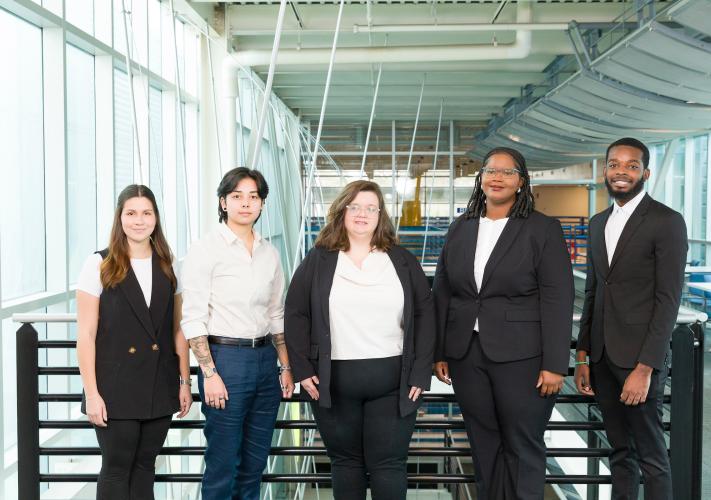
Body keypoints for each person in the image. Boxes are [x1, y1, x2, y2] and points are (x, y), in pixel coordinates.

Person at [432, 147, 574, 500]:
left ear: (521, 182)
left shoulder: (542, 229)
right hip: (467, 354)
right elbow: (443, 292)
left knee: (522, 445)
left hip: (523, 356)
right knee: (483, 444)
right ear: (480, 178)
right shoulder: (460, 227)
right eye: (490, 170)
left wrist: (556, 364)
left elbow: (558, 298)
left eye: (507, 172)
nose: (496, 177)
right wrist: (440, 351)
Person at [285, 180, 435, 500]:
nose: (362, 214)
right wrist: (301, 368)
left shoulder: (402, 260)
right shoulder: (319, 259)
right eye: (355, 207)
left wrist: (422, 373)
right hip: (333, 381)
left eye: (371, 208)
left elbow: (425, 317)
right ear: (342, 211)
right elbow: (295, 313)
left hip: (394, 381)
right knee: (346, 464)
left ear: (381, 215)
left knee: (389, 466)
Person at [575, 138, 687, 500]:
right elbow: (593, 293)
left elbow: (668, 301)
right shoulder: (597, 223)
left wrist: (646, 367)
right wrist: (583, 355)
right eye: (614, 164)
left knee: (652, 456)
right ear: (604, 170)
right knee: (620, 452)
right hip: (603, 358)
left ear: (646, 173)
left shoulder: (666, 221)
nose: (621, 171)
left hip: (639, 359)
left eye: (631, 165)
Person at [180, 167, 294, 500]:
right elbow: (193, 318)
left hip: (264, 363)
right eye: (237, 196)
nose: (246, 203)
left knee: (254, 465)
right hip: (225, 361)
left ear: (261, 204)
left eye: (253, 197)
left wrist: (285, 367)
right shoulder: (205, 249)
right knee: (222, 465)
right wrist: (210, 373)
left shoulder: (269, 254)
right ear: (223, 202)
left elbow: (276, 315)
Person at [76, 184, 192, 500]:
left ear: (155, 218)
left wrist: (184, 382)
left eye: (146, 213)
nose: (138, 221)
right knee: (115, 469)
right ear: (120, 217)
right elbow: (85, 335)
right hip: (114, 386)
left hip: (159, 382)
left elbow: (178, 330)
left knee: (145, 468)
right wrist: (92, 394)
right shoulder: (99, 264)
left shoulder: (169, 263)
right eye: (131, 213)